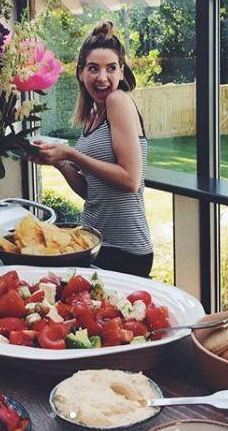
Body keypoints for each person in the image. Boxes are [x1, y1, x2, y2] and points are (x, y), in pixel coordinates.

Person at [32, 22, 153, 277]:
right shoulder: (93, 116)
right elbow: (91, 192)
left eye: (111, 68)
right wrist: (58, 162)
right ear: (80, 73)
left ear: (122, 72)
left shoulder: (117, 100)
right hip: (94, 242)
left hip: (126, 250)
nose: (102, 77)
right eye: (93, 68)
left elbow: (131, 180)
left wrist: (71, 154)